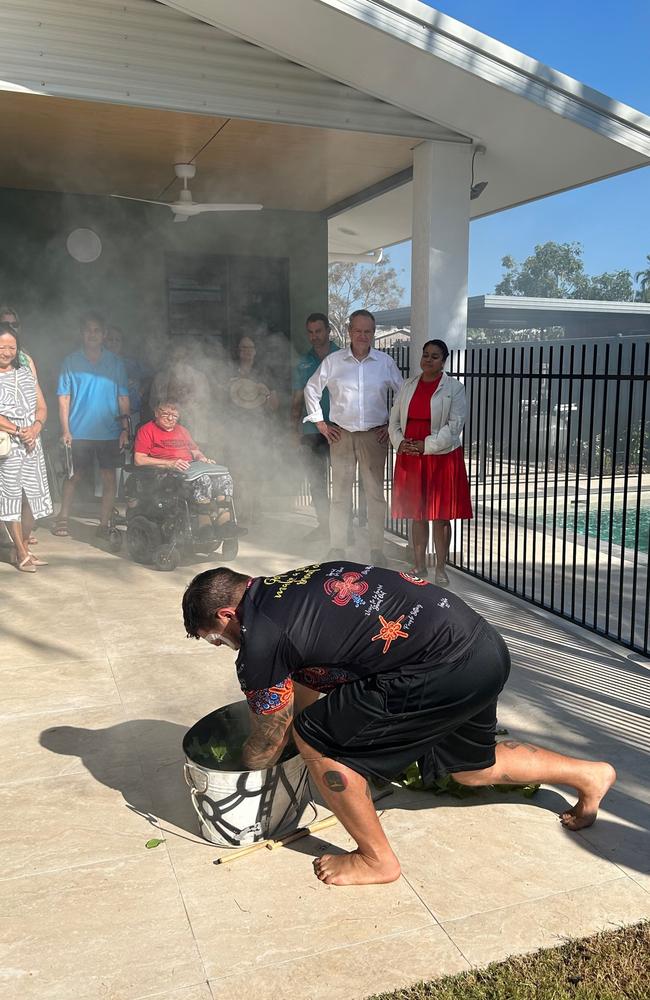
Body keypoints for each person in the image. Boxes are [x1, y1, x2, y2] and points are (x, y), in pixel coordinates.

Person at [182, 561, 617, 887]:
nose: (223, 646)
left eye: (216, 638)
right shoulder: (286, 587)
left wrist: (246, 767)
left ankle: (376, 860)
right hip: (480, 648)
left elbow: (273, 731)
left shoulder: (260, 641)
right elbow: (304, 677)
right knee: (470, 769)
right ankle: (590, 775)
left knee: (314, 738)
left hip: (438, 667)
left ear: (226, 614)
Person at [303, 309, 402, 566]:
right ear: (349, 331)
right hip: (342, 436)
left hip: (374, 437)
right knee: (340, 496)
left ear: (374, 332)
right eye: (357, 330)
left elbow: (404, 396)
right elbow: (312, 389)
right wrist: (320, 424)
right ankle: (337, 548)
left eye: (367, 331)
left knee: (375, 495)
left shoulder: (385, 363)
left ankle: (376, 551)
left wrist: (392, 425)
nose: (362, 335)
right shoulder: (334, 361)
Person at [389, 339, 472, 584]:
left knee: (440, 515)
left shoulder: (454, 388)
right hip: (411, 455)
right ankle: (419, 566)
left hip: (441, 457)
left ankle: (441, 568)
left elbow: (454, 426)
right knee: (417, 513)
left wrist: (427, 445)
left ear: (443, 361)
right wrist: (400, 442)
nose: (428, 360)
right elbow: (394, 420)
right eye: (426, 355)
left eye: (435, 356)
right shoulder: (408, 385)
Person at [53, 312, 130, 539]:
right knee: (73, 477)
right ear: (81, 334)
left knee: (108, 478)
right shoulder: (71, 361)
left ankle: (104, 524)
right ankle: (63, 518)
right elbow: (63, 397)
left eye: (97, 330)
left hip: (109, 432)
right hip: (79, 431)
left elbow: (123, 397)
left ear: (104, 334)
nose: (92, 334)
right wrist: (66, 430)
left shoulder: (115, 363)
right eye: (88, 330)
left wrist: (125, 429)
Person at [0, 323, 52, 571]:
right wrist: (19, 430)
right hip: (7, 445)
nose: (6, 352)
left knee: (32, 497)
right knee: (10, 497)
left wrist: (35, 428)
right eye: (1, 347)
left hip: (32, 441)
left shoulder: (26, 372)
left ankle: (22, 547)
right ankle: (20, 552)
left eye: (11, 347)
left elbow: (42, 406)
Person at [291, 313, 339, 542]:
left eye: (318, 331)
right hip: (312, 431)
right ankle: (324, 526)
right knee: (317, 482)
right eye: (310, 332)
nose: (314, 336)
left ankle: (343, 529)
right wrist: (293, 430)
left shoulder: (343, 356)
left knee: (342, 482)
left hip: (341, 429)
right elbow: (297, 399)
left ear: (329, 331)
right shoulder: (303, 362)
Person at [133, 400, 232, 504]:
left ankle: (223, 512)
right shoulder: (146, 430)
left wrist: (202, 459)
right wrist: (170, 464)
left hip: (190, 467)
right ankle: (204, 516)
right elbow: (138, 460)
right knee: (203, 479)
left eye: (174, 415)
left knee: (224, 477)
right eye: (166, 414)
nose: (170, 418)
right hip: (166, 472)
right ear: (156, 413)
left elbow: (195, 451)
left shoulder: (182, 430)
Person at [227, 334, 278, 524]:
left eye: (249, 348)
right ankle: (240, 511)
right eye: (243, 348)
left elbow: (274, 405)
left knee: (256, 471)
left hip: (259, 429)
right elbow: (220, 404)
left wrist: (266, 394)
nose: (246, 352)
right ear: (238, 351)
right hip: (236, 429)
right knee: (238, 471)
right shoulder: (230, 372)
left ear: (255, 351)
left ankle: (256, 511)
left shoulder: (264, 374)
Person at [104, 324, 151, 429]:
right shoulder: (98, 364)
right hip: (106, 416)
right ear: (104, 342)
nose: (114, 343)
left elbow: (150, 375)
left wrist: (140, 393)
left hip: (131, 414)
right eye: (110, 340)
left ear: (122, 343)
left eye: (117, 340)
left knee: (128, 442)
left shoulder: (131, 363)